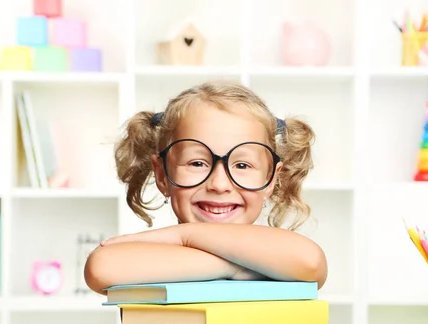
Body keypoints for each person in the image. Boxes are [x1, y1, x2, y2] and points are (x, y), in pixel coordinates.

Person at [84, 81, 328, 295]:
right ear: (162, 175)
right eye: (197, 163)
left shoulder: (284, 249)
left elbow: (312, 262)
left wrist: (184, 236)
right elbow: (101, 267)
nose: (219, 185)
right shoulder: (279, 259)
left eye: (242, 164)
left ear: (272, 178)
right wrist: (238, 266)